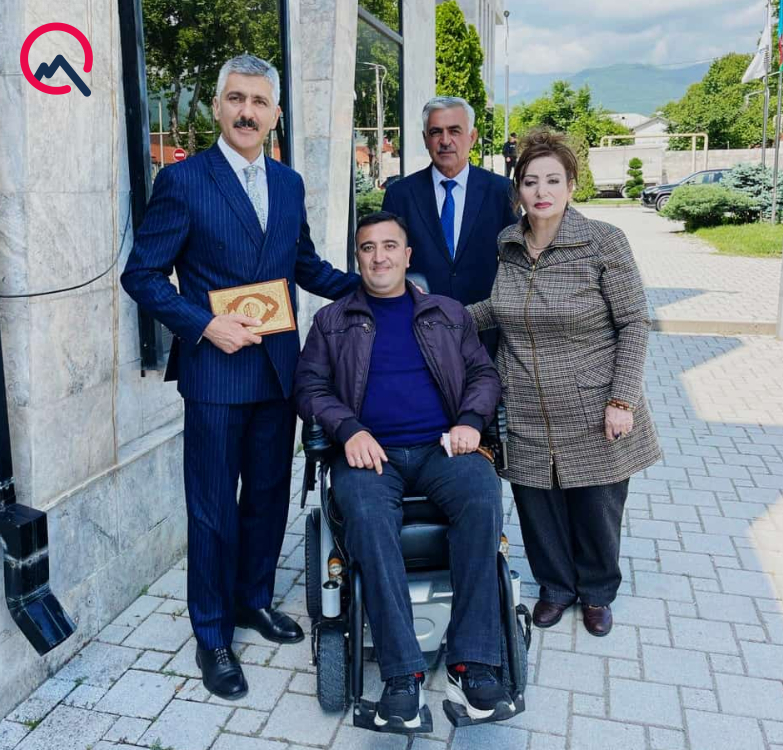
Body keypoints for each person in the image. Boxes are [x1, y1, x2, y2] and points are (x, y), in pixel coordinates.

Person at [121, 54, 359, 700]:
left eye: (258, 101)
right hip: (216, 375)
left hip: (278, 370)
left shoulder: (288, 183)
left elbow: (304, 264)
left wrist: (369, 289)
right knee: (212, 510)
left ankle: (253, 599)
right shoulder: (183, 181)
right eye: (235, 99)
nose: (246, 112)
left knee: (267, 499)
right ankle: (213, 635)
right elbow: (141, 275)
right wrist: (203, 324)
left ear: (275, 113)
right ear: (218, 107)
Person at [294, 211, 514, 729]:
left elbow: (484, 375)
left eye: (390, 246)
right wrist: (348, 429)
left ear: (407, 255)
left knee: (482, 496)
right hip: (370, 455)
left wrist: (470, 420)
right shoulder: (332, 321)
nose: (380, 257)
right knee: (369, 517)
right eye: (368, 248)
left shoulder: (448, 314)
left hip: (443, 448)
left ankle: (472, 664)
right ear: (357, 258)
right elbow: (308, 387)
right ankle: (402, 679)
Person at [468, 130, 661, 638]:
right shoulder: (509, 244)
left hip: (593, 401)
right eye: (531, 181)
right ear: (518, 189)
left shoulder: (602, 241)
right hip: (524, 401)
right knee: (537, 503)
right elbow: (499, 309)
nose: (542, 191)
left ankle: (597, 592)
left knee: (597, 505)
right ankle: (555, 587)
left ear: (572, 186)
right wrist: (438, 316)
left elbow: (634, 322)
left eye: (553, 180)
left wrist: (621, 400)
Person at [382, 96, 518, 355]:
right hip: (419, 334)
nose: (445, 140)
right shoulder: (400, 195)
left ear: (472, 136)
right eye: (436, 132)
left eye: (455, 131)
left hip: (485, 337)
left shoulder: (501, 191)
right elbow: (388, 263)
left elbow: (517, 262)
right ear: (425, 139)